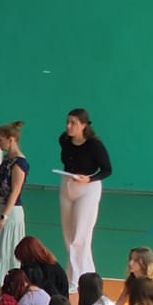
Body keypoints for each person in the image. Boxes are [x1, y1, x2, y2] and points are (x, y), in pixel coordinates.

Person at [56, 108, 110, 279]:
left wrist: (89, 178)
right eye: (68, 122)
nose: (68, 126)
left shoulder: (94, 145)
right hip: (67, 184)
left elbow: (107, 169)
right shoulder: (64, 140)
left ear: (83, 125)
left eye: (73, 123)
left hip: (87, 188)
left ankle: (78, 277)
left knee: (80, 235)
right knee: (68, 234)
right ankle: (78, 273)